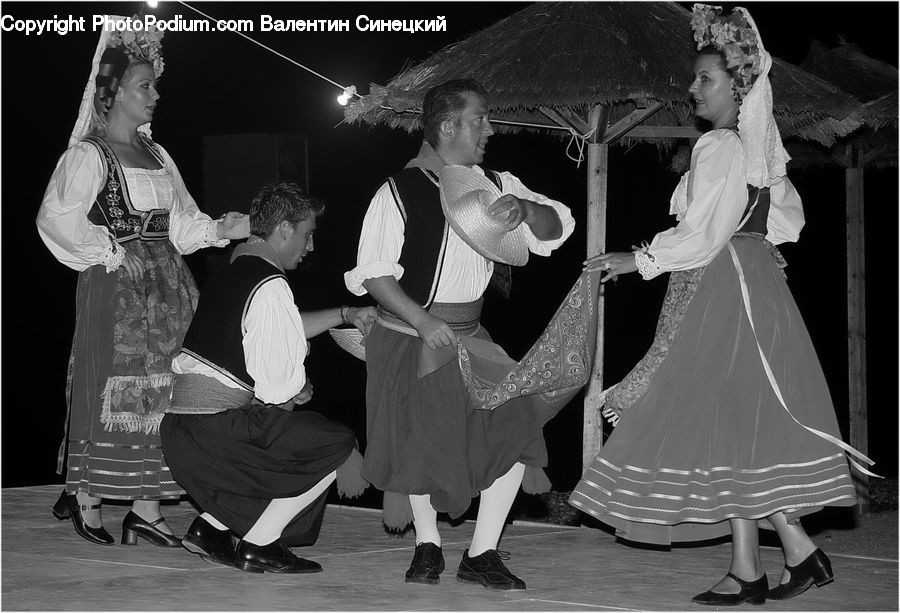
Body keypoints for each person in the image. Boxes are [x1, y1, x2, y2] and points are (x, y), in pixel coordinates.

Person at [569, 4, 874, 606]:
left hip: (722, 286)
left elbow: (706, 231)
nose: (692, 88)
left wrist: (641, 259)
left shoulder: (718, 146)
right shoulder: (753, 149)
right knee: (731, 425)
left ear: (737, 88)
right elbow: (786, 220)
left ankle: (759, 566)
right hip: (754, 280)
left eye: (704, 78)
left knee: (721, 419)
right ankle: (784, 555)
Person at [344, 78, 575, 590]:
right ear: (448, 126)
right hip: (411, 332)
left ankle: (482, 552)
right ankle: (427, 545)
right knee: (424, 442)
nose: (490, 129)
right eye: (480, 120)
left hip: (472, 334)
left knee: (517, 428)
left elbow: (558, 225)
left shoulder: (495, 183)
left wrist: (525, 210)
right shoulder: (397, 192)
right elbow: (373, 275)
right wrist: (425, 323)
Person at [37, 21, 250, 547]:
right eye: (144, 86)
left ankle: (146, 508)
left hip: (170, 284)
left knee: (163, 388)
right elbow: (56, 217)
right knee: (115, 384)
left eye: (155, 86)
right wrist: (109, 250)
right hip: (118, 285)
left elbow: (181, 221)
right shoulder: (90, 155)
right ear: (112, 93)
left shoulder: (158, 155)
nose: (154, 95)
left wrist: (224, 229)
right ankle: (89, 496)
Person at [160, 181, 374, 574]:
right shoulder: (272, 286)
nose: (310, 247)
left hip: (180, 433)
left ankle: (210, 528)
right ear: (285, 231)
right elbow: (277, 389)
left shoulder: (235, 271)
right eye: (308, 235)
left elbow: (284, 328)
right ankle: (261, 543)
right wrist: (299, 383)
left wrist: (346, 314)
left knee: (279, 434)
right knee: (335, 444)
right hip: (213, 433)